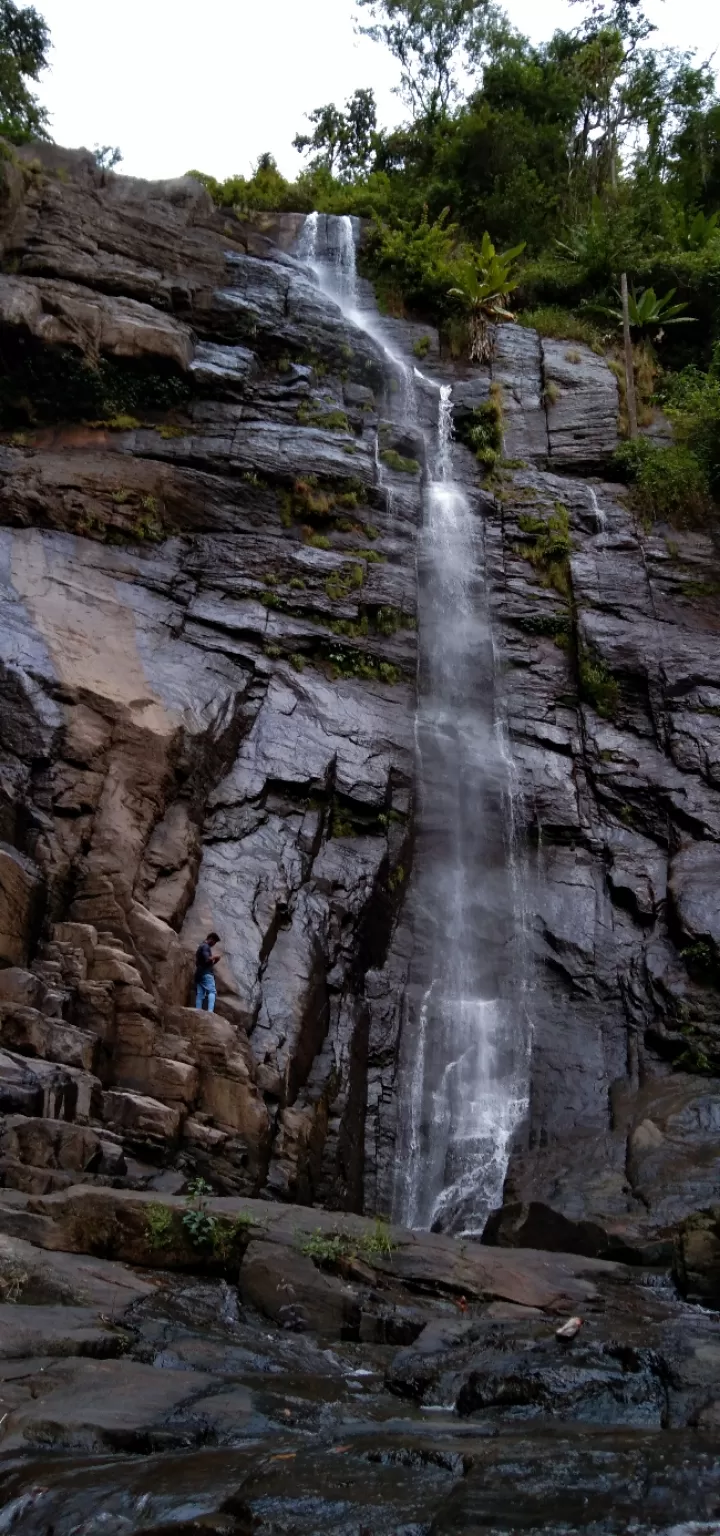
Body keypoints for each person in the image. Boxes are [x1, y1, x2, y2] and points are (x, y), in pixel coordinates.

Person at [195, 931, 221, 1011]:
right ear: (211, 939)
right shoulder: (206, 947)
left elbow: (202, 961)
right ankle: (210, 1012)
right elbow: (207, 959)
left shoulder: (201, 946)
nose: (214, 944)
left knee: (200, 994)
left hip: (199, 973)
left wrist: (214, 961)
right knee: (212, 991)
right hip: (206, 973)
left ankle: (198, 1011)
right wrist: (216, 957)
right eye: (215, 942)